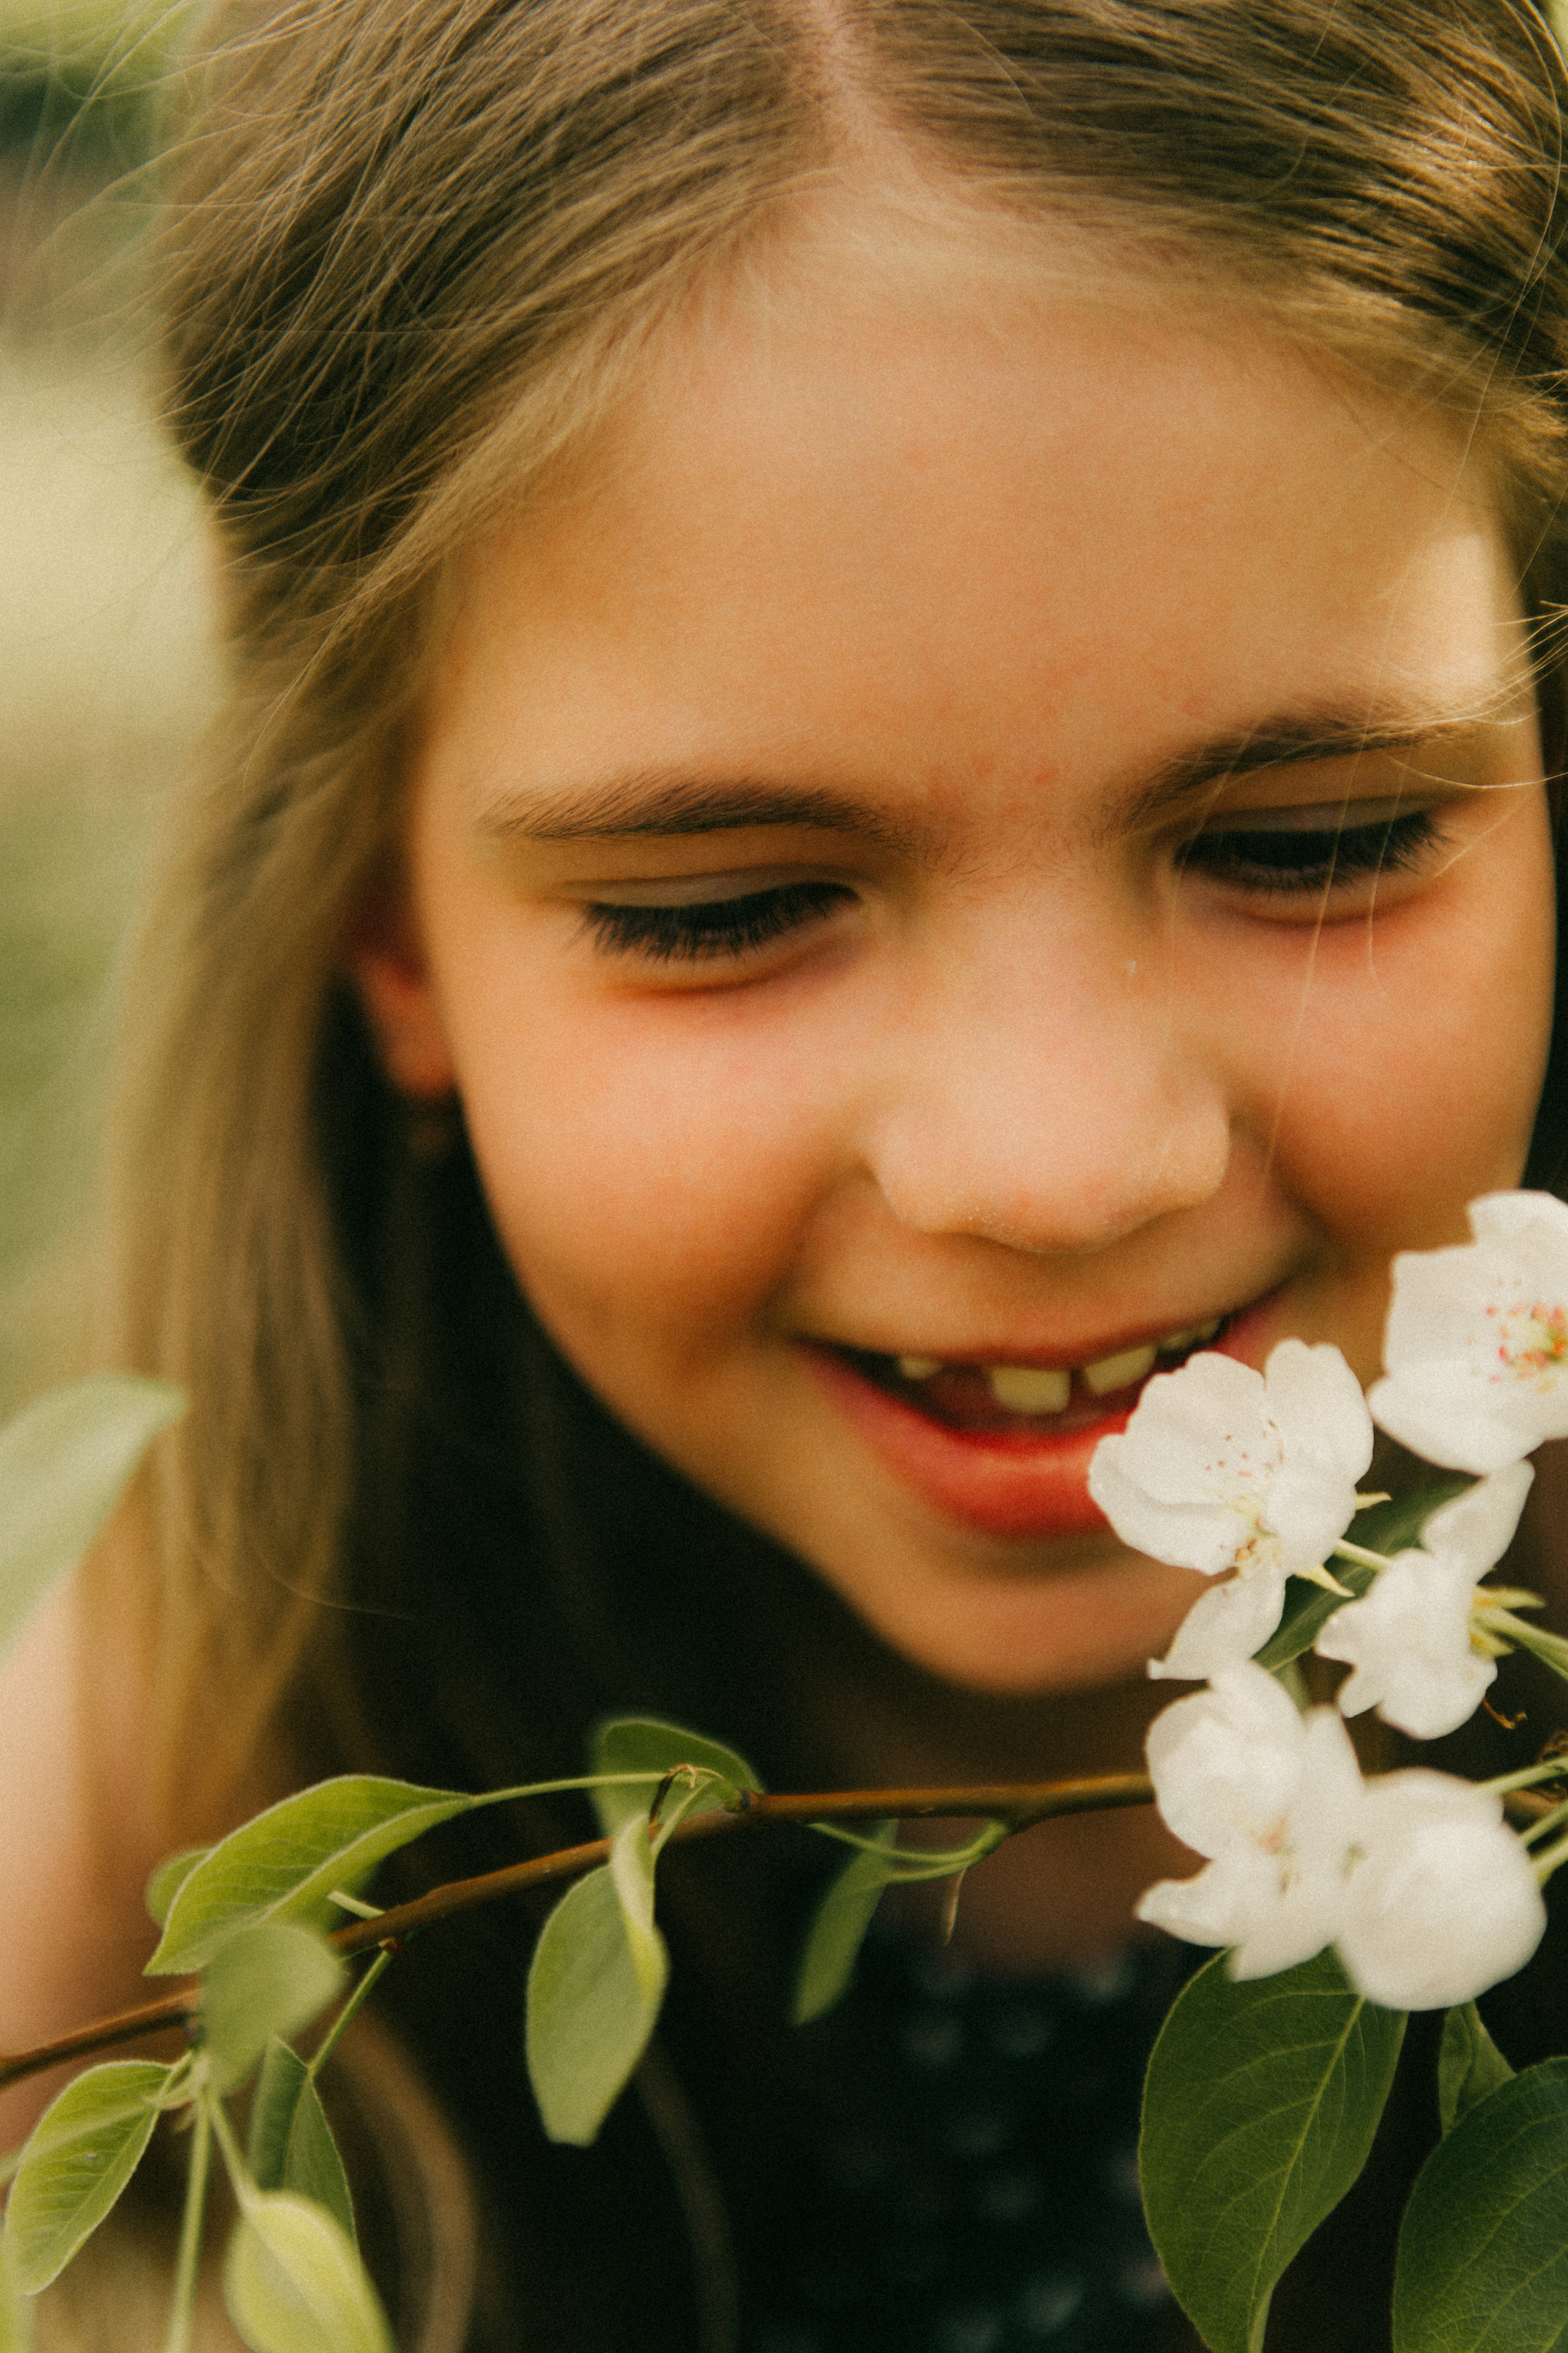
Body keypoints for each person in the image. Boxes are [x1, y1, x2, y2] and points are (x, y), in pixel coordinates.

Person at [5, 1, 1568, 2346]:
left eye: (1313, 846)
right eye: (724, 905)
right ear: (385, 921)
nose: (1052, 1166)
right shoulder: (176, 1776)